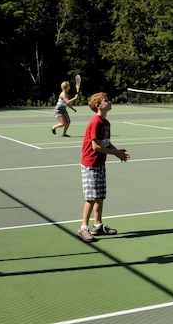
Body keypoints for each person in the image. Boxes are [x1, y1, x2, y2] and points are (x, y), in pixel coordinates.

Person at [77, 92, 130, 242]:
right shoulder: (96, 122)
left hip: (100, 164)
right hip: (90, 164)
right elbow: (96, 146)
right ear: (98, 105)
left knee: (100, 196)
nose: (110, 101)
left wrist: (117, 152)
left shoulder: (106, 123)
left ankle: (98, 226)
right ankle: (83, 228)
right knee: (91, 198)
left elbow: (105, 143)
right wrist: (114, 153)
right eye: (106, 100)